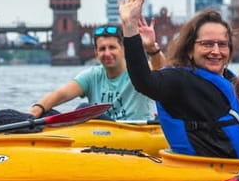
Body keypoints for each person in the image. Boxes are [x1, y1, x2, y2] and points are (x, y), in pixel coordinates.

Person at [119, 0, 239, 159]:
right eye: (207, 44)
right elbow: (144, 81)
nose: (216, 51)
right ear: (190, 50)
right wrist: (130, 27)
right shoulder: (180, 81)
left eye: (222, 44)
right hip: (212, 173)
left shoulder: (232, 81)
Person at [26, 23, 160, 121]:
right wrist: (36, 109)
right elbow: (62, 94)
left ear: (123, 49)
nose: (107, 53)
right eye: (102, 49)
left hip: (136, 134)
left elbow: (160, 69)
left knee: (83, 108)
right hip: (101, 136)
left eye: (112, 47)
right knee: (48, 113)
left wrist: (152, 49)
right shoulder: (93, 75)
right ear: (96, 53)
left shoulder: (139, 70)